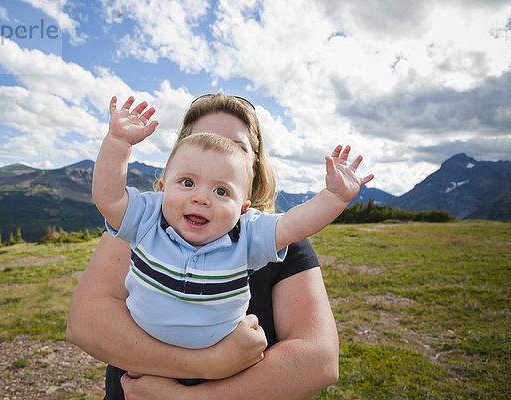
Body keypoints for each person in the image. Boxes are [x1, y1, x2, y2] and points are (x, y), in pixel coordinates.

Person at [67, 93, 367, 399]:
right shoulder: (144, 222)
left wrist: (335, 198)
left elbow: (319, 360)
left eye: (233, 149)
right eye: (203, 143)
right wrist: (118, 142)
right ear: (164, 181)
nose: (201, 196)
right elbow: (108, 199)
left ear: (251, 174)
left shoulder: (255, 236)